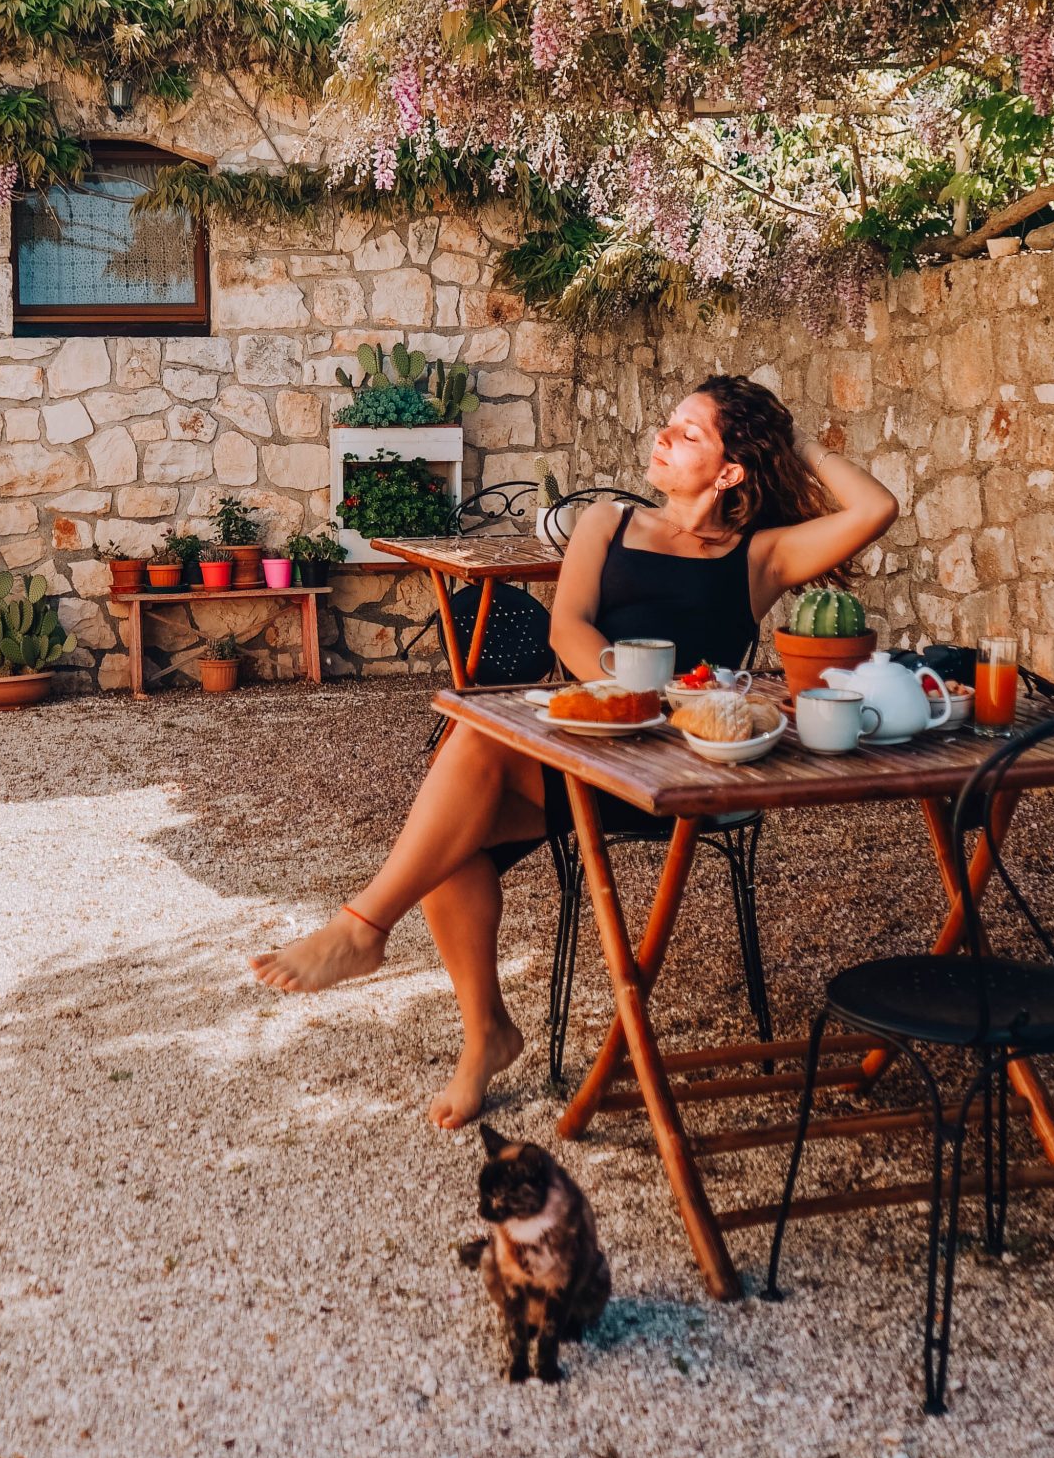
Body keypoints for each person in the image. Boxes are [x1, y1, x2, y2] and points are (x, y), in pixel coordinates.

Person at [249, 375, 899, 1130]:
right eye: (669, 420)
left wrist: (791, 442)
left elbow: (876, 509)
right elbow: (570, 632)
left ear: (730, 472)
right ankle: (481, 1030)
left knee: (466, 766)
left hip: (687, 767)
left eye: (690, 433)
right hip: (594, 748)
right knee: (455, 813)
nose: (663, 435)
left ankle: (366, 931)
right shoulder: (606, 523)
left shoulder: (758, 557)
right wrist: (628, 701)